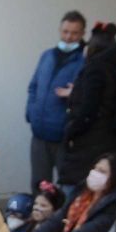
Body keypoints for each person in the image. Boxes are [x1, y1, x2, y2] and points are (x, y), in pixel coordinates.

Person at [57, 22, 116, 193]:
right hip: (107, 138)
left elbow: (88, 108)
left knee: (76, 191)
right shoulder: (113, 71)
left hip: (90, 142)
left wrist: (72, 131)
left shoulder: (94, 71)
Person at [24, 11, 87, 187]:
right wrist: (31, 113)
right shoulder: (47, 56)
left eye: (74, 33)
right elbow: (33, 87)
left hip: (64, 136)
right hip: (40, 133)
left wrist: (75, 94)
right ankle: (38, 215)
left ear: (82, 34)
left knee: (66, 186)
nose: (69, 37)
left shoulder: (85, 60)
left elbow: (88, 95)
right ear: (60, 30)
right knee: (39, 184)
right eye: (65, 31)